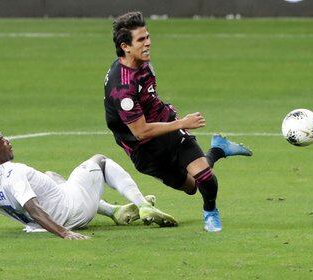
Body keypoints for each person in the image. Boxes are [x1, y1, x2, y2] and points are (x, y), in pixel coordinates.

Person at [104, 11, 253, 232]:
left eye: (148, 37)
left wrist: (171, 116)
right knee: (191, 186)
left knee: (205, 177)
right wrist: (183, 122)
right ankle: (218, 150)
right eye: (141, 40)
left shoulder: (143, 64)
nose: (148, 43)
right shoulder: (121, 88)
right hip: (144, 150)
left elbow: (148, 96)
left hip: (169, 130)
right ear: (126, 46)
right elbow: (141, 132)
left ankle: (210, 212)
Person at [0, 127, 177, 239]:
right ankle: (143, 205)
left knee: (52, 176)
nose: (8, 141)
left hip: (40, 224)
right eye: (2, 140)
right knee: (99, 161)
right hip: (73, 213)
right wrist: (65, 233)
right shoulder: (14, 172)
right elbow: (33, 207)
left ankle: (115, 211)